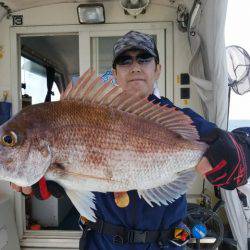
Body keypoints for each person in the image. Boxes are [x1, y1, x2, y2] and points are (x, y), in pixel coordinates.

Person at [11, 31, 250, 249]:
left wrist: (237, 154)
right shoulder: (88, 112)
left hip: (163, 244)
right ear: (115, 73)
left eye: (143, 58)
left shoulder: (182, 120)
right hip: (102, 243)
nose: (134, 66)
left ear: (158, 68)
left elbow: (240, 153)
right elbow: (71, 187)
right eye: (125, 61)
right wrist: (51, 181)